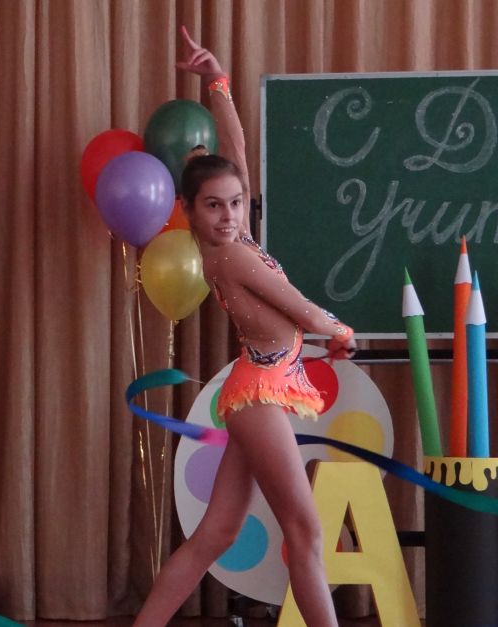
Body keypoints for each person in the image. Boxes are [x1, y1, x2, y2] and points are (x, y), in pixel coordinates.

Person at [133, 27, 356, 627]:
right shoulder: (229, 256)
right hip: (257, 396)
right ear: (188, 210)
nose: (230, 214)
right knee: (305, 533)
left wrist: (218, 83)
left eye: (235, 203)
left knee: (216, 535)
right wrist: (337, 330)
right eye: (213, 205)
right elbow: (297, 306)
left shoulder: (239, 235)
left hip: (259, 389)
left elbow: (236, 156)